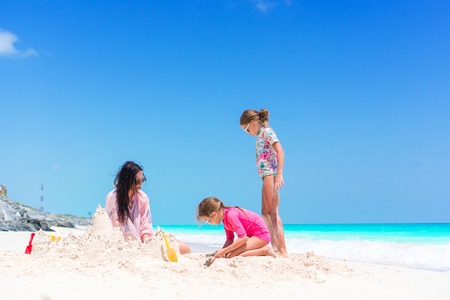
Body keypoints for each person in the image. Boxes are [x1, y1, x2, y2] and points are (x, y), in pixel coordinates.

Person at [105, 161, 191, 254]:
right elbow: (108, 225)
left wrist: (146, 239)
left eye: (142, 180)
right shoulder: (112, 197)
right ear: (127, 180)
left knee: (186, 248)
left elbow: (145, 224)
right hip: (122, 245)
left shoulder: (143, 197)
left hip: (142, 242)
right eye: (137, 181)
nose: (141, 184)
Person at [240, 108, 288, 257]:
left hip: (270, 175)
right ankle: (276, 247)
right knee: (266, 213)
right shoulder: (263, 133)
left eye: (247, 129)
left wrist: (279, 174)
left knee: (271, 213)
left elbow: (280, 150)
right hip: (265, 176)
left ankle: (280, 249)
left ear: (253, 123)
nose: (248, 133)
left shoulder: (266, 132)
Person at [196, 196, 277, 258]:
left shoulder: (231, 215)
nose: (210, 223)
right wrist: (222, 251)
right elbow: (230, 239)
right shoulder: (225, 220)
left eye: (209, 220)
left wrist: (224, 251)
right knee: (228, 254)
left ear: (214, 214)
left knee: (231, 256)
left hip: (261, 235)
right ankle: (259, 249)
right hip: (252, 237)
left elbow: (243, 238)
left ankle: (265, 250)